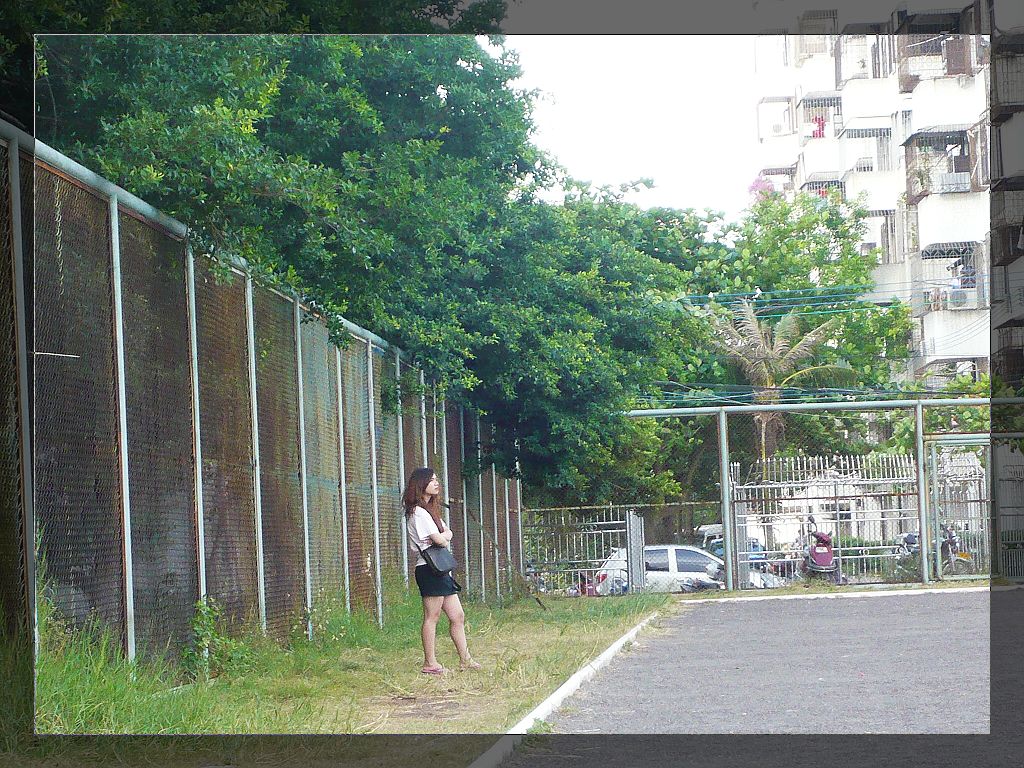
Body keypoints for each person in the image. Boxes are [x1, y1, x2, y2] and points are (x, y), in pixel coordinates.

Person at [404, 467, 481, 675]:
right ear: (421, 484)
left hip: (440, 569)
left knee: (457, 615)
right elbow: (440, 538)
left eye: (437, 479)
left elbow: (447, 534)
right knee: (432, 616)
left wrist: (444, 536)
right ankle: (430, 663)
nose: (436, 483)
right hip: (428, 569)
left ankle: (466, 659)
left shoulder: (430, 512)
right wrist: (444, 536)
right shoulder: (418, 513)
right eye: (432, 480)